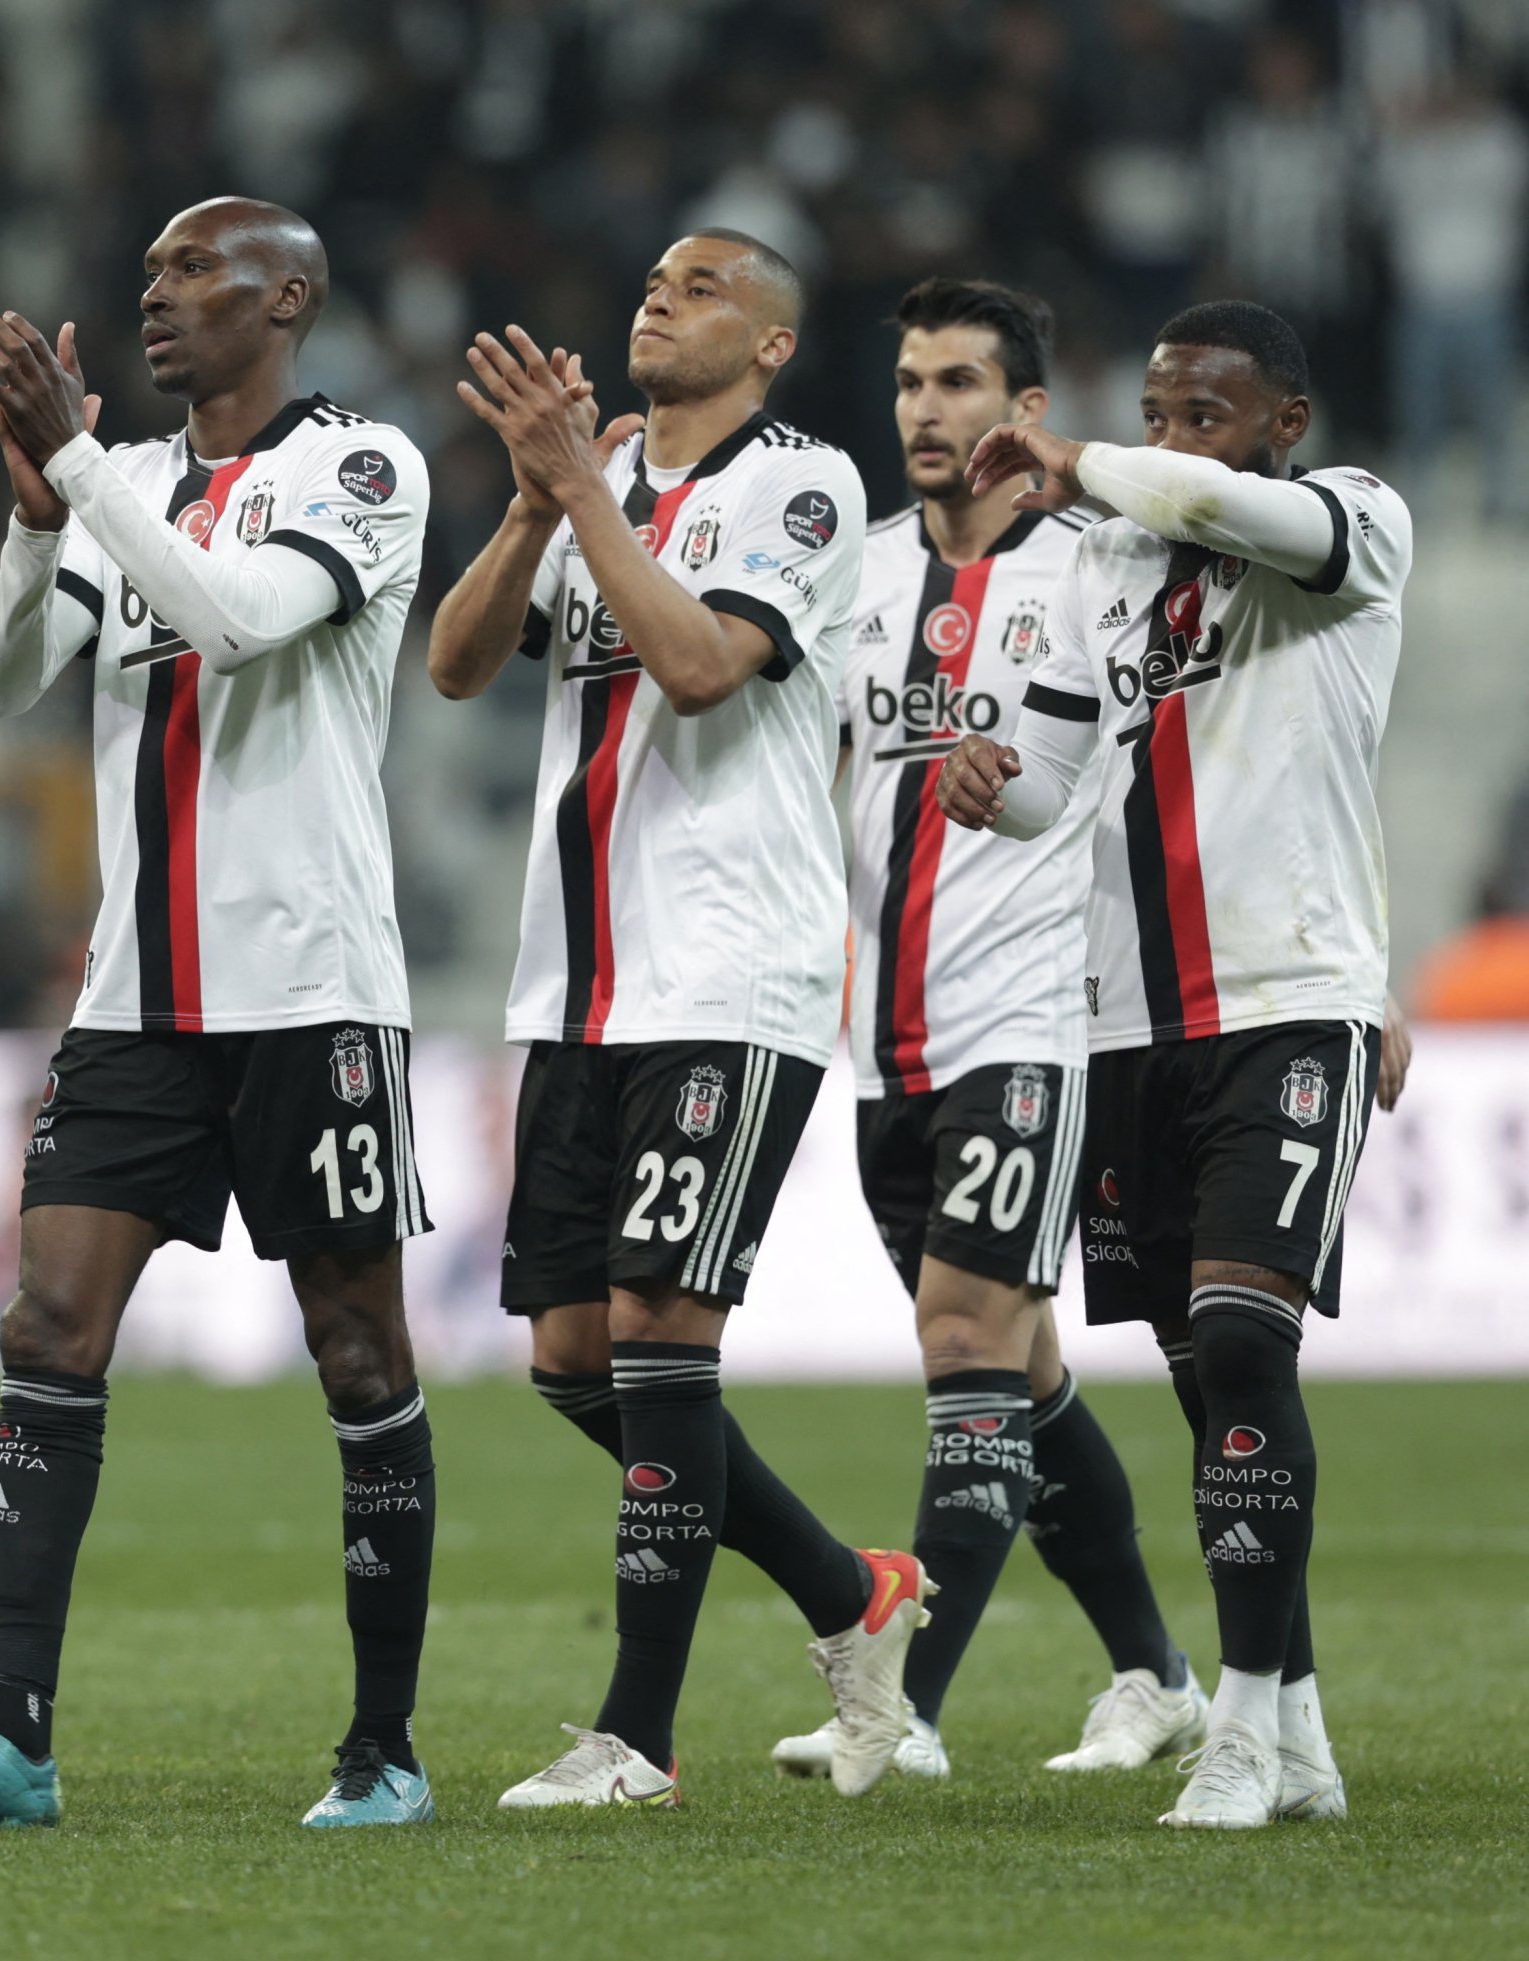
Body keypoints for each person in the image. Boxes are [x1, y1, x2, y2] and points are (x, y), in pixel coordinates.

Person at [0, 198, 441, 1831]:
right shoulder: (130, 483)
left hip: (310, 991)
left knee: (359, 1346)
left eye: (195, 271)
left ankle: (384, 1748)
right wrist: (42, 517)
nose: (157, 295)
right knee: (46, 1326)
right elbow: (3, 677)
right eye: (150, 270)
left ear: (289, 296)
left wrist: (84, 472)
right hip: (133, 1003)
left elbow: (239, 623)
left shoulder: (362, 468)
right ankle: (12, 1740)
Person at [426, 231, 928, 1808]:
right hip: (574, 982)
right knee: (576, 1356)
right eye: (651, 279)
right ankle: (853, 1591)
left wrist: (586, 494)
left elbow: (706, 665)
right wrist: (533, 499)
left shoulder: (804, 484)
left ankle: (633, 1736)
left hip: (731, 970)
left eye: (705, 286)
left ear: (772, 343)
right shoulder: (592, 479)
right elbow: (451, 668)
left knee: (658, 1331)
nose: (659, 295)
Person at [938, 299, 1413, 1830]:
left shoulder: (1351, 520)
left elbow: (1206, 501)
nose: (1173, 434)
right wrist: (994, 787)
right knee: (1206, 1378)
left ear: (1284, 421)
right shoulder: (1111, 564)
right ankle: (1305, 1729)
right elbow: (1072, 776)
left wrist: (1082, 457)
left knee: (1246, 1342)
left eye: (1207, 408)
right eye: (1155, 406)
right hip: (1131, 1019)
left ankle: (1243, 1726)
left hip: (1287, 995)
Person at [766, 277, 1204, 1783]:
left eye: (959, 383)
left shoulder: (1096, 568)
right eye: (907, 383)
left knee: (961, 1339)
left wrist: (1004, 780)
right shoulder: (859, 575)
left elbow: (1075, 783)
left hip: (1035, 1020)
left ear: (1025, 412)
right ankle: (1155, 1669)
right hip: (883, 1041)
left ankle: (906, 1708)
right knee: (1012, 1368)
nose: (925, 411)